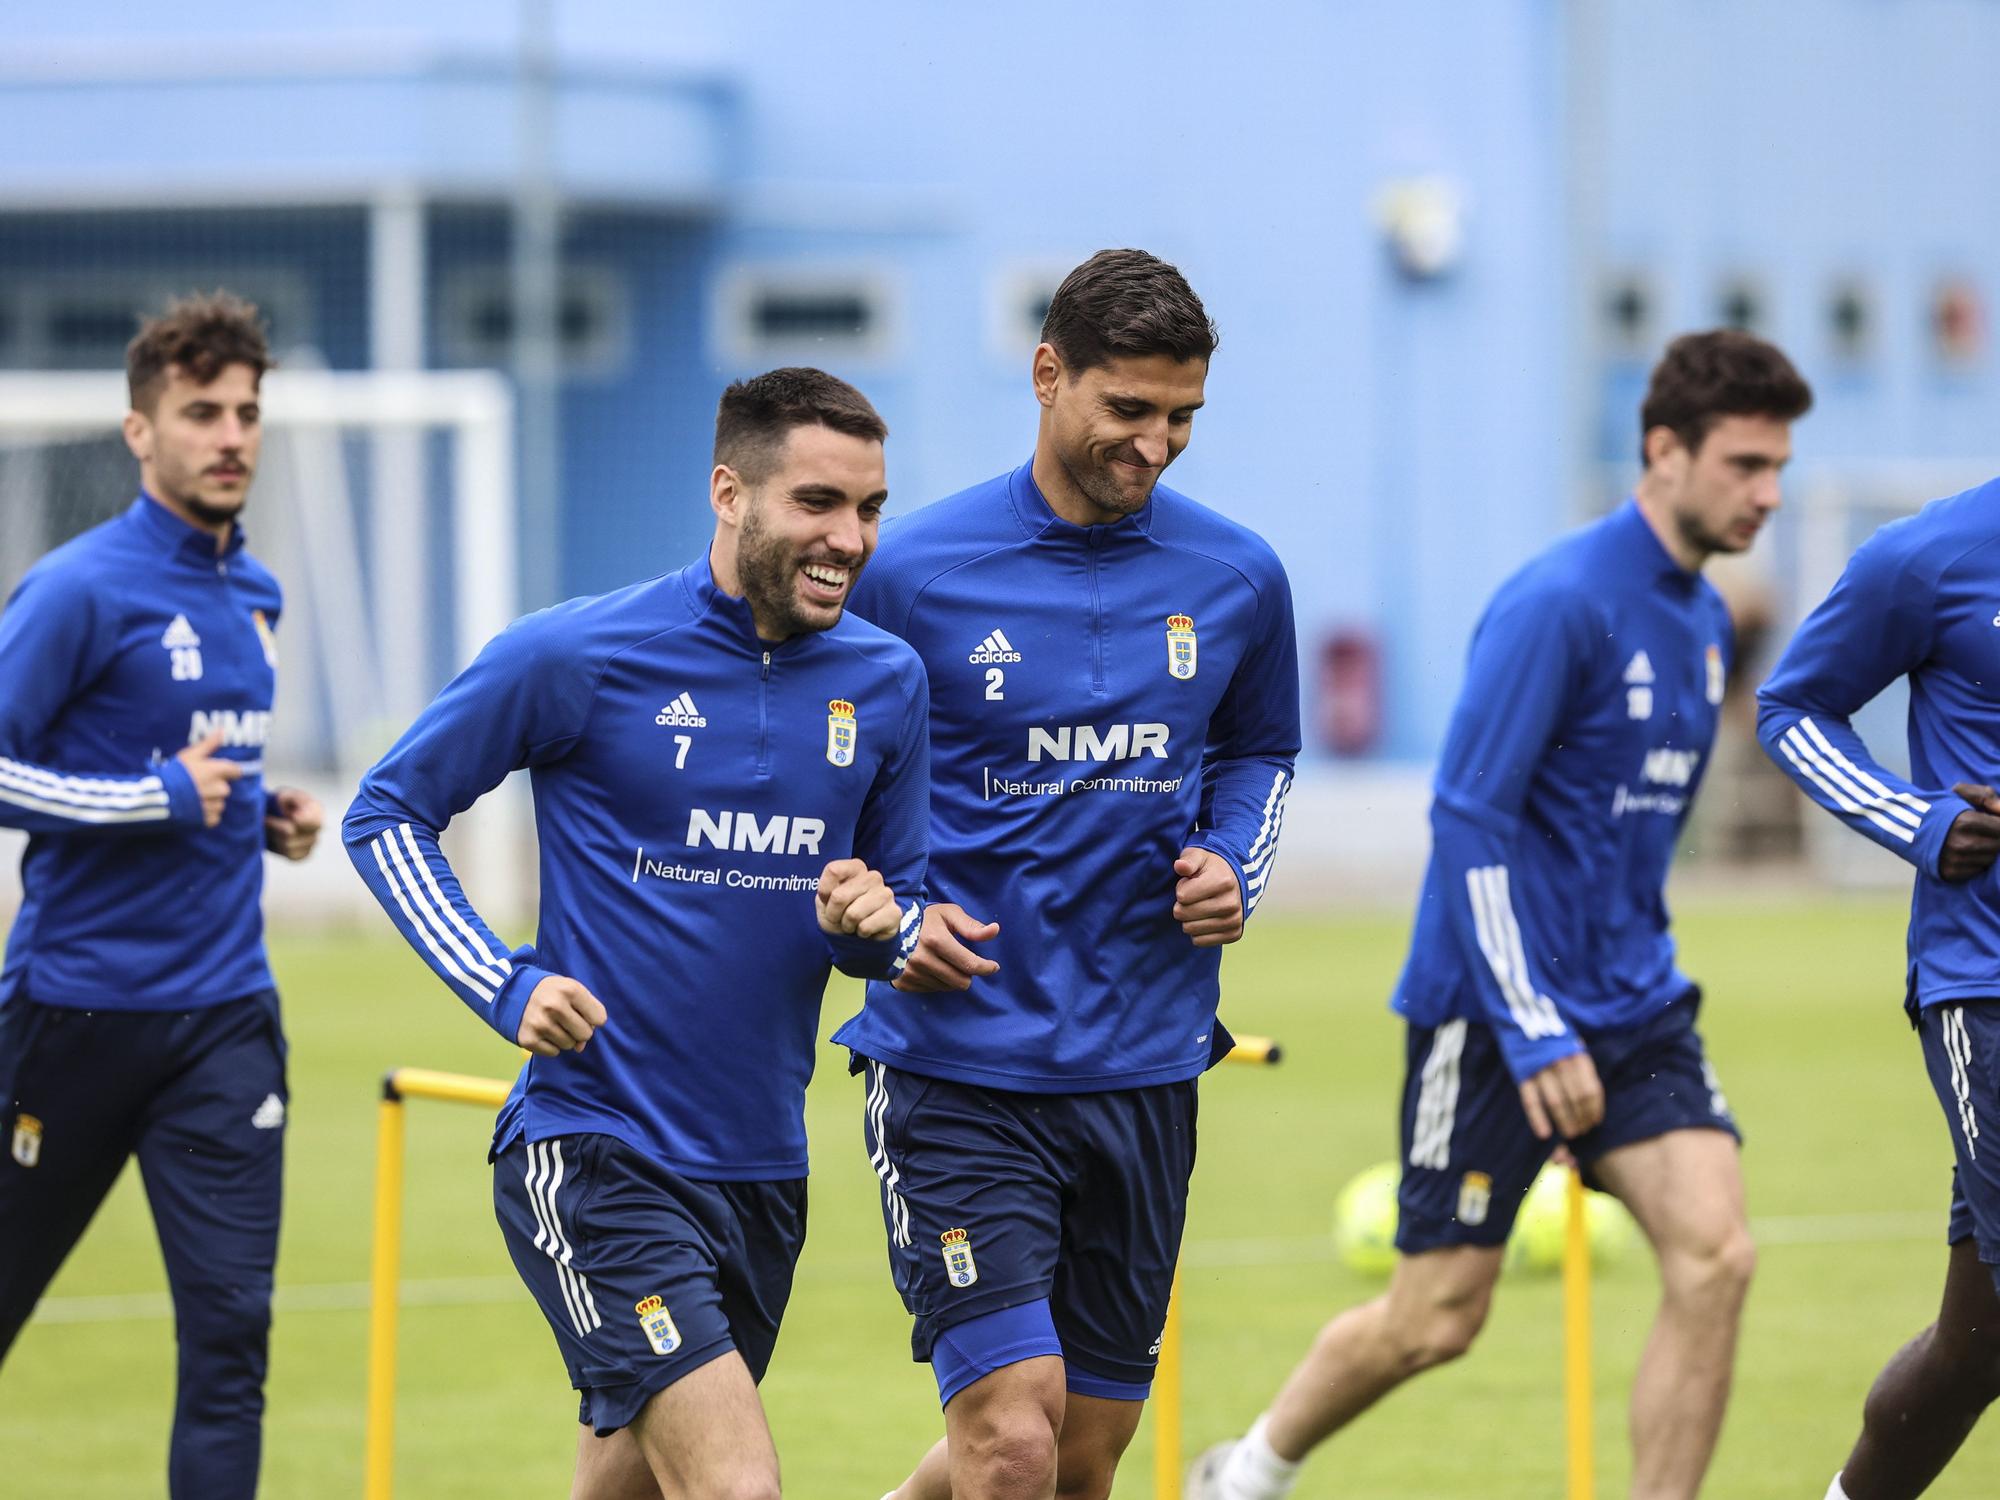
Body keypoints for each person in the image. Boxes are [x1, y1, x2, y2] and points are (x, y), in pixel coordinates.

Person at [1188, 329, 1814, 1500]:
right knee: (1435, 1318)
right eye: (1743, 465)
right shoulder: (1556, 604)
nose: (1767, 495)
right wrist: (1531, 1028)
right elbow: (1468, 820)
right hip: (1489, 1013)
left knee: (1716, 1255)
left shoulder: (1702, 622)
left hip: (1633, 1007)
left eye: (1776, 467)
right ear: (1663, 450)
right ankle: (1246, 1471)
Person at [344, 367, 927, 1499]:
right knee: (735, 1486)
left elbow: (886, 919)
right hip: (595, 1149)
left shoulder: (886, 681)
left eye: (868, 510)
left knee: (633, 1490)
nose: (848, 539)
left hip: (762, 1168)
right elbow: (386, 815)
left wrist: (873, 927)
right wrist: (505, 987)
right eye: (816, 502)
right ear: (728, 492)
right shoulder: (574, 655)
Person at [837, 248, 1301, 1500]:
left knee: (1079, 1460)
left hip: (1146, 1065)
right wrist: (889, 922)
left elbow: (1259, 751)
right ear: (1047, 375)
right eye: (1127, 411)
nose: (1153, 445)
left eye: (1181, 419)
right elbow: (827, 783)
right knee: (1010, 1438)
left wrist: (1231, 860)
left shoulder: (1238, 576)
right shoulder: (910, 573)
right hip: (958, 1062)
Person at [0, 291, 323, 1499]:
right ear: (142, 431)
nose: (231, 434)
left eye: (246, 411)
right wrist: (154, 800)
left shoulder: (261, 597)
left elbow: (205, 772)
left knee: (231, 1344)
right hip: (72, 1015)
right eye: (201, 412)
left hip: (223, 1025)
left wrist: (259, 816)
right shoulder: (78, 590)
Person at [1757, 479, 2000, 1500]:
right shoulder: (1929, 556)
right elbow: (1791, 707)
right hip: (1984, 982)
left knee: (1974, 1346)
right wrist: (1916, 822)